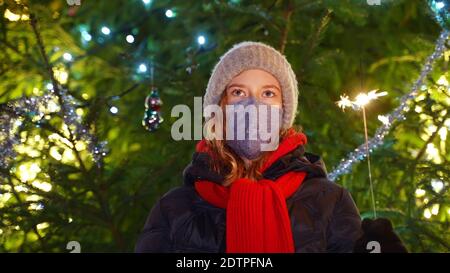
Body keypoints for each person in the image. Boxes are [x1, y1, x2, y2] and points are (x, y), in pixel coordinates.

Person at [135, 41, 363, 253]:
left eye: (268, 93)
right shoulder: (175, 208)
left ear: (284, 111)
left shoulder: (330, 201)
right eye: (238, 93)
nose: (253, 105)